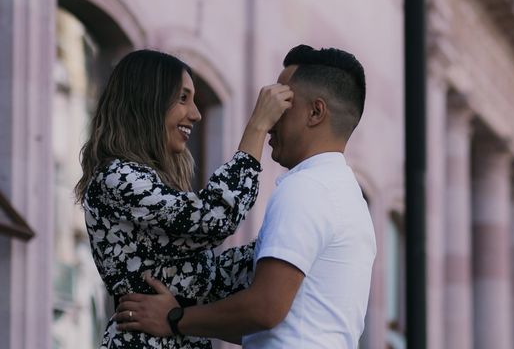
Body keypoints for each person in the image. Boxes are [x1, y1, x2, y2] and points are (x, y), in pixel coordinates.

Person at [114, 45, 377, 348]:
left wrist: (175, 318)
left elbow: (265, 308)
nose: (272, 120)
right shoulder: (348, 196)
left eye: (282, 103)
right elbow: (267, 325)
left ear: (316, 112)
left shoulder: (306, 188)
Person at [76, 49, 293, 349]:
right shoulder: (117, 179)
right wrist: (257, 128)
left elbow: (210, 277)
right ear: (147, 101)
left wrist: (287, 244)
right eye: (182, 98)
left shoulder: (150, 184)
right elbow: (215, 218)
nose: (196, 113)